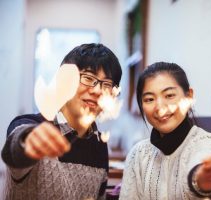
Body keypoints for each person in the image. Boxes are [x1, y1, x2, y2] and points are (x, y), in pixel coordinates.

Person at [1, 43, 122, 200]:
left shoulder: (98, 143)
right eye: (88, 78)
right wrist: (29, 140)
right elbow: (15, 149)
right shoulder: (31, 125)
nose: (97, 90)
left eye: (107, 84)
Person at [119, 62, 211, 200]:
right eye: (149, 99)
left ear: (189, 97)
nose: (160, 107)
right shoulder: (138, 154)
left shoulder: (209, 144)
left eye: (169, 95)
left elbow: (200, 166)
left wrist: (200, 182)